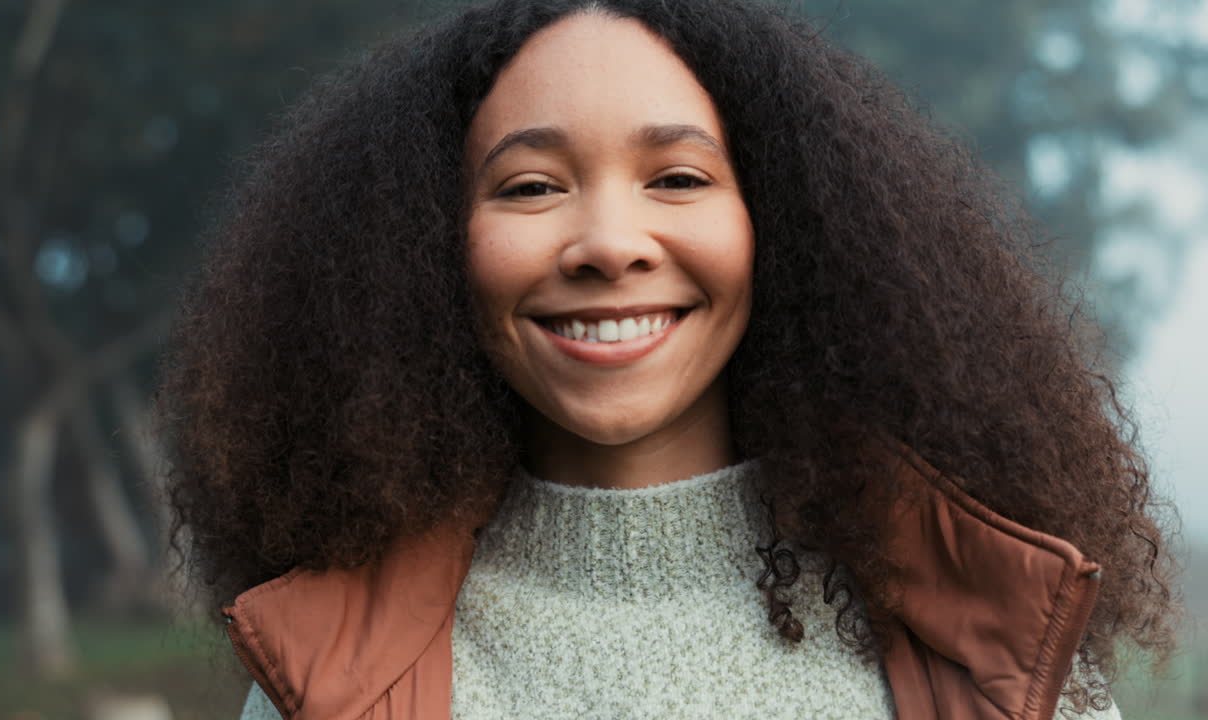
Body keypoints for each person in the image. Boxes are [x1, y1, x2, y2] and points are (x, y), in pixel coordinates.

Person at [157, 0, 1177, 718]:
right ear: (423, 250)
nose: (608, 241)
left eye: (678, 176)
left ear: (784, 224)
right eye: (528, 187)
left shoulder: (989, 647)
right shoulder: (337, 678)